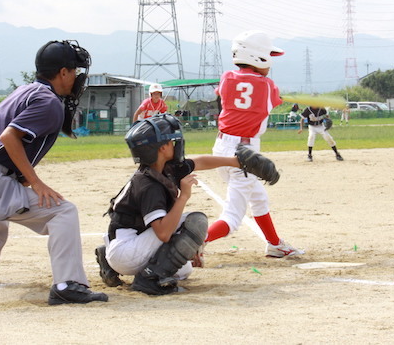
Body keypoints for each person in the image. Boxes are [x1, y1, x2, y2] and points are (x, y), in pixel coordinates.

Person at [0, 40, 109, 306]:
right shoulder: (49, 102)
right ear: (62, 72)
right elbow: (9, 137)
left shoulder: (25, 90)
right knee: (63, 211)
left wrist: (24, 178)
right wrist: (36, 183)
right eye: (73, 71)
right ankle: (67, 284)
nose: (75, 77)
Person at [94, 113, 246, 295]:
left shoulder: (162, 169)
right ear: (162, 148)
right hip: (126, 251)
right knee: (195, 221)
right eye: (171, 141)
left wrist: (236, 162)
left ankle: (108, 259)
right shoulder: (149, 185)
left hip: (128, 242)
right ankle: (149, 280)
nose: (176, 144)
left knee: (184, 269)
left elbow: (200, 162)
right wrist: (184, 197)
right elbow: (164, 233)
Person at [204, 30, 304, 258]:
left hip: (221, 148)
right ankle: (193, 242)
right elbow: (270, 100)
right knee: (232, 217)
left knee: (258, 197)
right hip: (245, 154)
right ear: (257, 57)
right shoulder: (268, 86)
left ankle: (275, 244)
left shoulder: (226, 77)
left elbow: (228, 93)